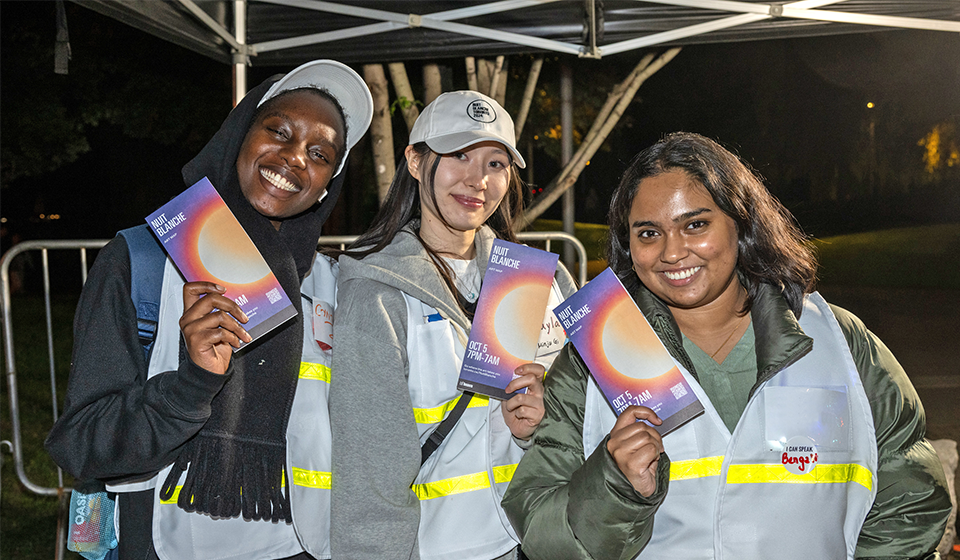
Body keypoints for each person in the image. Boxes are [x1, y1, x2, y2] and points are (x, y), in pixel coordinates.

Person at [501, 132, 952, 560]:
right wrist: (615, 488)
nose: (673, 252)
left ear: (742, 223)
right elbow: (542, 531)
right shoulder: (589, 359)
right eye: (648, 233)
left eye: (695, 224)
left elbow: (909, 503)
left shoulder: (839, 341)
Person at [45, 60, 373, 560]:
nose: (292, 159)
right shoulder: (143, 261)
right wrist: (192, 383)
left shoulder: (329, 285)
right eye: (278, 131)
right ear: (239, 134)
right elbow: (81, 444)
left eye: (320, 153)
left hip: (305, 547)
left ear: (328, 182)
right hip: (169, 544)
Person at [329, 91, 577, 560]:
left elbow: (589, 426)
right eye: (459, 155)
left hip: (541, 541)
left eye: (495, 163)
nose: (477, 179)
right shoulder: (375, 294)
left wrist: (543, 421)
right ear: (416, 161)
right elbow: (370, 477)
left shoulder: (542, 281)